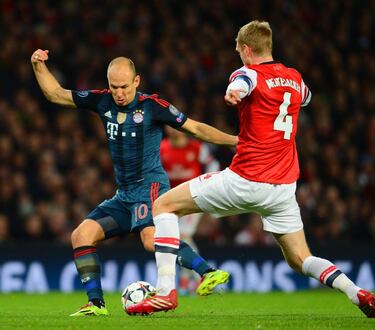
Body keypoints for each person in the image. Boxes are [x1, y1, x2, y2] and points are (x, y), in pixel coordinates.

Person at [127, 21, 375, 319]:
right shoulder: (294, 78)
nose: (238, 54)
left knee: (164, 206)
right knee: (301, 258)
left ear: (247, 49)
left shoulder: (246, 73)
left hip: (246, 178)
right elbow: (306, 98)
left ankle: (164, 293)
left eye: (239, 49)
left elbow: (241, 84)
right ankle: (357, 293)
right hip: (283, 188)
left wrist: (233, 93)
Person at [31, 49, 235, 316]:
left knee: (151, 240)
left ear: (136, 81)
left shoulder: (153, 106)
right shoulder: (101, 102)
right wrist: (38, 65)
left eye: (124, 87)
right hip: (124, 195)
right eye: (114, 87)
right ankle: (96, 305)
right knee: (81, 235)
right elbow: (55, 93)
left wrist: (236, 141)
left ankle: (207, 272)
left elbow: (195, 128)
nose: (119, 93)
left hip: (150, 187)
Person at [160, 126, 220, 294]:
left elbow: (213, 164)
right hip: (171, 200)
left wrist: (209, 185)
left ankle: (191, 280)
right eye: (169, 128)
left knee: (183, 236)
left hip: (193, 198)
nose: (172, 131)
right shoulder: (162, 147)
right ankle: (197, 279)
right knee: (177, 238)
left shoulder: (196, 147)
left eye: (175, 128)